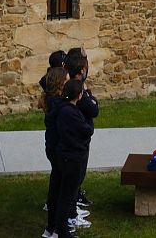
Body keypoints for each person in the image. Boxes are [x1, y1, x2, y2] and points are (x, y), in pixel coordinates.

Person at [55, 79, 94, 238]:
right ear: (79, 95)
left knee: (66, 195)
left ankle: (61, 228)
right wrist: (89, 121)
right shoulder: (70, 112)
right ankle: (62, 232)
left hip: (67, 155)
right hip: (72, 157)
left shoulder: (64, 109)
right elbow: (87, 130)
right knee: (67, 196)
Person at [66, 47, 98, 209]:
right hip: (79, 140)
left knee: (73, 175)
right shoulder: (78, 90)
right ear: (80, 71)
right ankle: (72, 207)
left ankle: (73, 200)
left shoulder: (71, 84)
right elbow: (93, 110)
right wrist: (90, 95)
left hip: (76, 139)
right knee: (76, 174)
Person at [42, 66, 69, 238]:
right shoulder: (59, 104)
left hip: (52, 148)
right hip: (59, 150)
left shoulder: (51, 101)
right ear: (60, 84)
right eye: (66, 81)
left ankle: (50, 228)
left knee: (55, 187)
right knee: (62, 192)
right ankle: (58, 230)